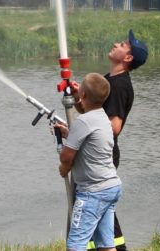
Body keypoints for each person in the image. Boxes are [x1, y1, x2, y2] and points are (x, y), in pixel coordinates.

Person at [58, 73, 122, 251]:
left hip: (93, 192)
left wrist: (64, 168)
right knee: (106, 244)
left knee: (75, 245)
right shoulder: (103, 117)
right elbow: (89, 139)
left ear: (83, 94)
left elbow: (66, 157)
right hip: (111, 187)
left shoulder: (83, 121)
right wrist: (69, 134)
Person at [100, 29, 148, 251]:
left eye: (122, 44)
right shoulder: (109, 79)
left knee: (98, 204)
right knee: (95, 205)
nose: (115, 43)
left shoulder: (119, 86)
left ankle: (117, 247)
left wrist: (83, 131)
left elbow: (114, 127)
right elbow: (91, 111)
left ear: (128, 57)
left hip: (103, 154)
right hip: (96, 151)